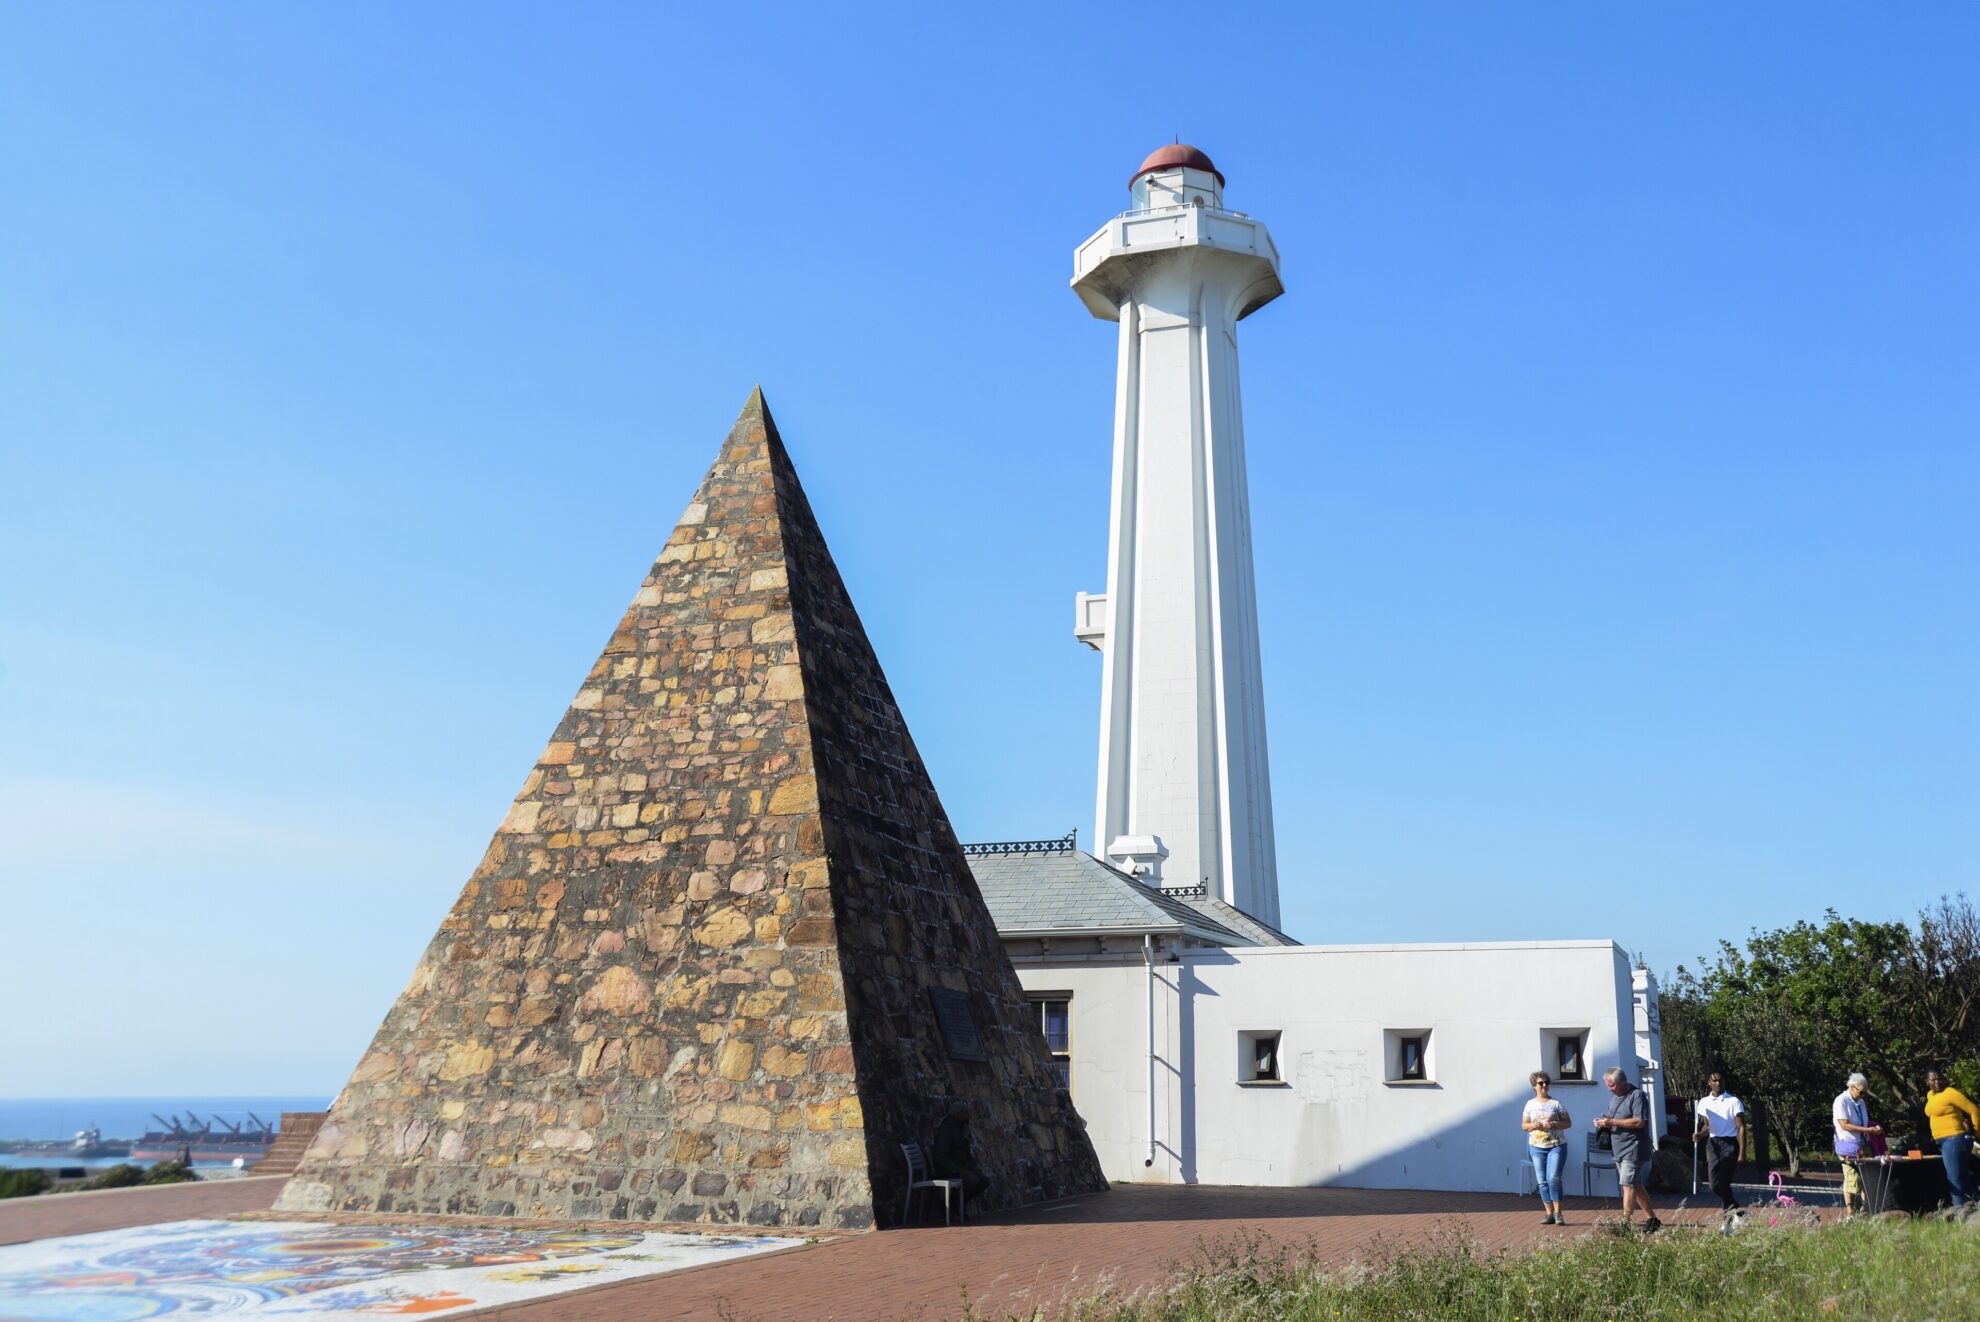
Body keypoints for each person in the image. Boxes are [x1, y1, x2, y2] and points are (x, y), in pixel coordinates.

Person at [1595, 1066, 1659, 1231]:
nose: (1609, 1089)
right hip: (1618, 1148)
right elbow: (1611, 1117)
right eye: (1607, 1085)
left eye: (1612, 1085)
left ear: (1623, 1082)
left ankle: (1625, 1222)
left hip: (1634, 1147)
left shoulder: (1637, 1096)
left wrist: (1612, 1123)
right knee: (1635, 1184)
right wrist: (1603, 1122)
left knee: (1627, 1184)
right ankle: (1652, 1219)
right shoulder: (1615, 1097)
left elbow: (1639, 1122)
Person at [1923, 1067, 1978, 1209]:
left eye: (1940, 1078)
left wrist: (1977, 1134)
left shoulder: (1950, 1093)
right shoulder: (1930, 1095)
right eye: (1933, 1079)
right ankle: (1975, 1208)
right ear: (1927, 1081)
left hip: (1954, 1139)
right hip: (1943, 1141)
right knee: (1963, 1178)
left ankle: (1960, 1212)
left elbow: (1974, 1110)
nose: (1937, 1082)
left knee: (1955, 1179)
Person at [1522, 1071, 1572, 1225]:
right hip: (1537, 1147)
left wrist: (1555, 1124)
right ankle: (1549, 1213)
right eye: (1540, 1083)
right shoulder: (1530, 1104)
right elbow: (1524, 1125)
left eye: (1546, 1082)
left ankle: (1558, 1213)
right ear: (1534, 1086)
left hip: (1556, 1146)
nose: (1544, 1085)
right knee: (1542, 1181)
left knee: (1553, 1179)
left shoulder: (1556, 1104)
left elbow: (1568, 1123)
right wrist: (1534, 1125)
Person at [1693, 1072, 1746, 1214]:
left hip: (1729, 1143)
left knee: (1723, 1183)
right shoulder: (1704, 1102)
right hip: (1713, 1144)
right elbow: (1707, 1125)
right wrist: (1700, 1134)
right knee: (1713, 1185)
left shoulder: (1734, 1101)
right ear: (1709, 1083)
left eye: (1720, 1080)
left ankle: (1728, 1217)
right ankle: (1739, 1212)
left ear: (1724, 1082)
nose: (1718, 1083)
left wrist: (1742, 1153)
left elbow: (1741, 1127)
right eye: (1714, 1081)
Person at [1831, 1072, 1881, 1218]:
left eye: (1865, 1092)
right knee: (1851, 1178)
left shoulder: (1861, 1102)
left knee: (1867, 1177)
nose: (1863, 1095)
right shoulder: (1841, 1101)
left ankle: (1866, 1210)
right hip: (1848, 1145)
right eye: (1861, 1092)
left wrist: (1875, 1129)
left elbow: (1864, 1122)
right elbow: (1844, 1125)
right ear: (1852, 1087)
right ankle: (1850, 1214)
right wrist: (1867, 1130)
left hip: (1863, 1144)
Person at [930, 1100, 990, 1205]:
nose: (968, 1116)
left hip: (962, 1166)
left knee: (984, 1181)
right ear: (958, 1114)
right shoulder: (947, 1130)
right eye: (965, 1113)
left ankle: (959, 1203)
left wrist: (972, 1166)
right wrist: (957, 1170)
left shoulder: (960, 1129)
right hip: (948, 1170)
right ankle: (951, 1203)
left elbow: (965, 1151)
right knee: (972, 1181)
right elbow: (940, 1155)